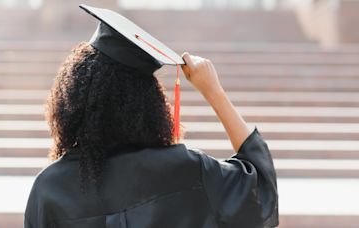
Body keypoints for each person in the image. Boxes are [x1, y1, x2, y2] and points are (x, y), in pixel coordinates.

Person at [24, 5, 278, 228]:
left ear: (73, 99)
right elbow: (262, 196)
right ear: (149, 102)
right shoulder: (186, 169)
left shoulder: (50, 188)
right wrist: (214, 92)